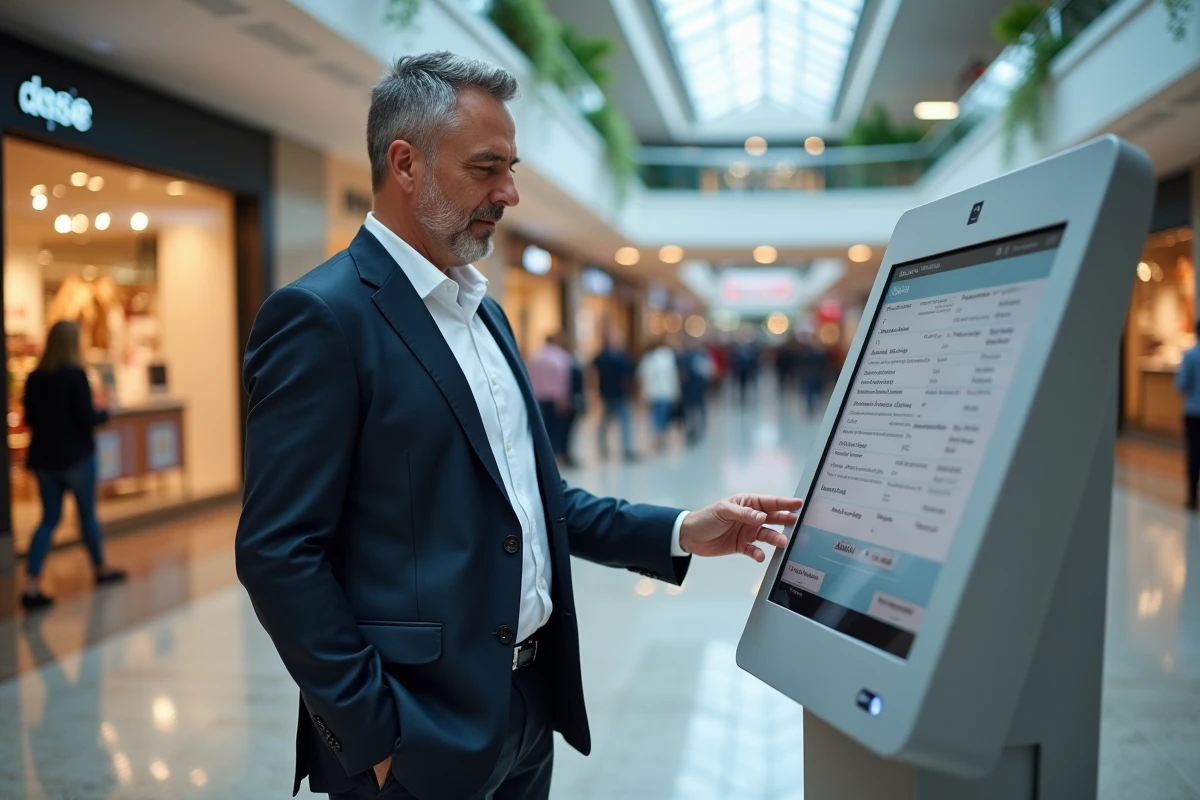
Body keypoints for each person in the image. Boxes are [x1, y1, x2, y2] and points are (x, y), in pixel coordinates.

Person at [235, 52, 802, 800]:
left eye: (512, 166)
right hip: (413, 735)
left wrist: (683, 529)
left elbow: (537, 501)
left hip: (528, 709)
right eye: (486, 167)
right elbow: (278, 551)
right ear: (405, 165)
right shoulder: (323, 317)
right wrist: (367, 735)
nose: (510, 191)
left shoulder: (485, 314)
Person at [20, 321, 126, 610]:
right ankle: (101, 569)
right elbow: (87, 419)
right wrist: (106, 412)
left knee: (48, 519)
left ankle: (31, 584)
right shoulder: (75, 376)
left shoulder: (34, 378)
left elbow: (28, 418)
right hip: (77, 457)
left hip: (44, 460)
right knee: (87, 516)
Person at [527, 333, 572, 463]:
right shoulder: (561, 357)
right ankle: (556, 453)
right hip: (555, 398)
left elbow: (530, 378)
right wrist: (563, 398)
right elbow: (563, 380)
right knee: (557, 428)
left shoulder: (536, 356)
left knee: (544, 427)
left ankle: (546, 455)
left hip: (539, 397)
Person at [593, 332, 637, 461]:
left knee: (618, 421)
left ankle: (618, 448)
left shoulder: (605, 357)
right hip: (613, 393)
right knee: (614, 421)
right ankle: (619, 448)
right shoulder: (616, 357)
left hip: (614, 392)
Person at [638, 339, 681, 452]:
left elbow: (642, 376)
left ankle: (659, 434)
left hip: (658, 391)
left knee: (659, 414)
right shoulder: (664, 357)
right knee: (661, 414)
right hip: (662, 391)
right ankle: (659, 434)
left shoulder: (652, 358)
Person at [1177, 320, 1200, 509]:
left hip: (1193, 411)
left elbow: (1181, 385)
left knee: (1194, 453)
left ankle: (1192, 495)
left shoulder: (1191, 355)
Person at [679, 344, 714, 445]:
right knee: (694, 410)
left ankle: (697, 428)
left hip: (696, 389)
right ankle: (695, 428)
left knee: (695, 409)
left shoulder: (695, 358)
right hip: (693, 390)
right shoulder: (695, 358)